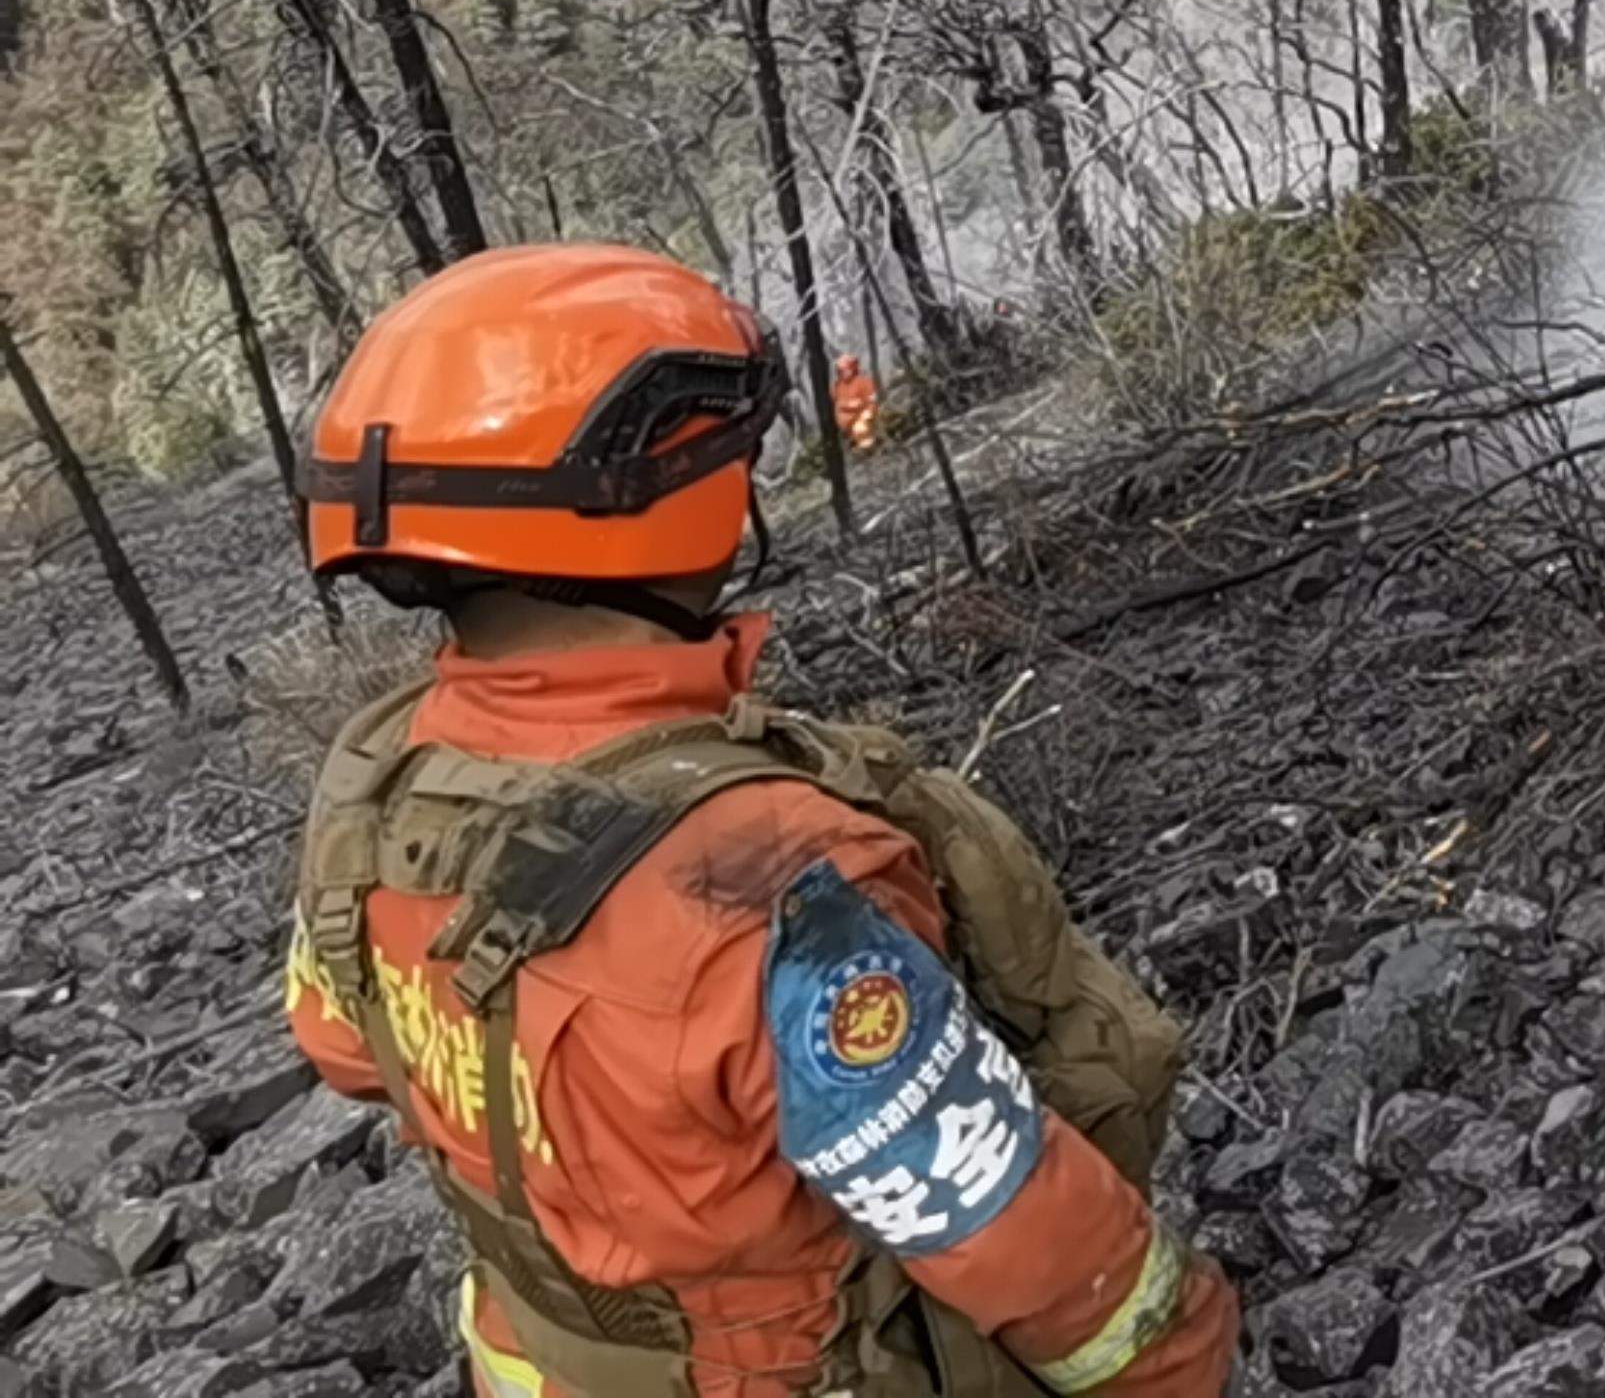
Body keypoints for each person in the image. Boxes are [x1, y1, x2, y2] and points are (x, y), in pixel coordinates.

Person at [281, 242, 1238, 1398]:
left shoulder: (379, 775)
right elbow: (990, 1211)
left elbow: (344, 1046)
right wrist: (1178, 1358)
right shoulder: (761, 875)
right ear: (659, 490)